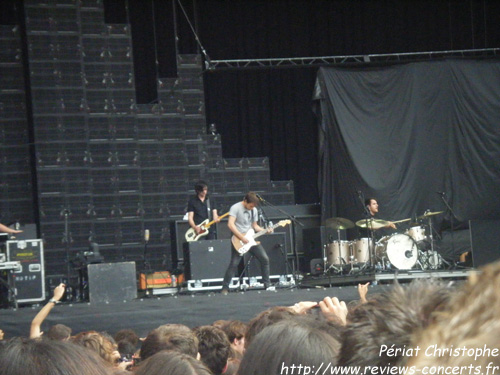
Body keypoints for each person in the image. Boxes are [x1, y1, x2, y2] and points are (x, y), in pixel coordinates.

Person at [221, 192, 273, 294]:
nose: (251, 208)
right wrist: (241, 237)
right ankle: (225, 288)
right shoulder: (235, 208)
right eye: (250, 205)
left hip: (250, 239)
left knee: (265, 259)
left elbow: (255, 226)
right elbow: (230, 225)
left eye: (253, 206)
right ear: (245, 201)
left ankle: (267, 285)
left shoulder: (254, 210)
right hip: (239, 240)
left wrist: (265, 230)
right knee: (234, 264)